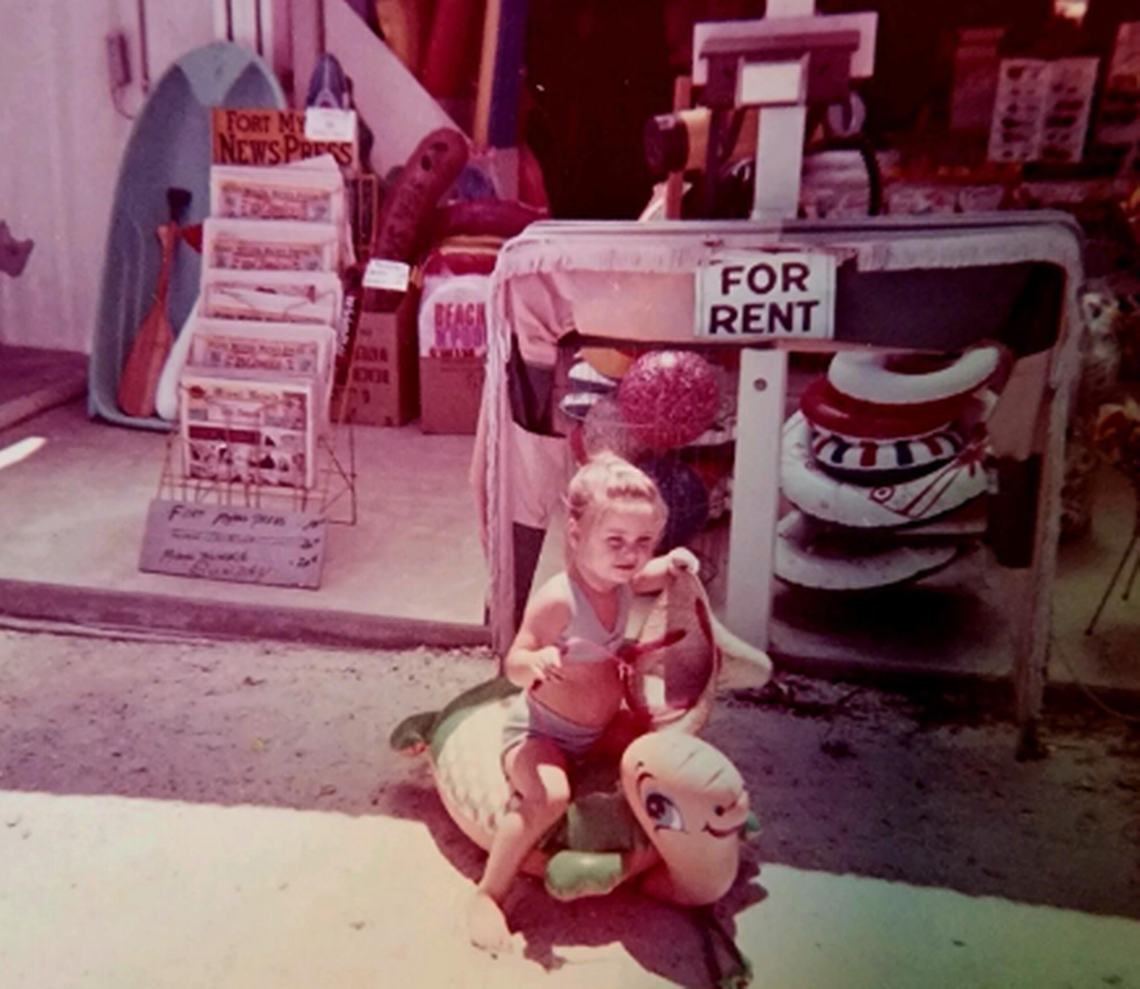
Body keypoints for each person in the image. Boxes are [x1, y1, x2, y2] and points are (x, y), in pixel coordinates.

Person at [468, 451, 699, 952]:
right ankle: (489, 893)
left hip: (596, 729)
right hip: (542, 732)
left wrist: (674, 565)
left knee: (663, 746)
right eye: (614, 541)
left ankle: (688, 845)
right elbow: (514, 660)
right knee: (548, 797)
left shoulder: (620, 582)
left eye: (643, 542)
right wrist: (537, 661)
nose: (630, 554)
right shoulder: (560, 598)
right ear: (576, 537)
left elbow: (646, 576)